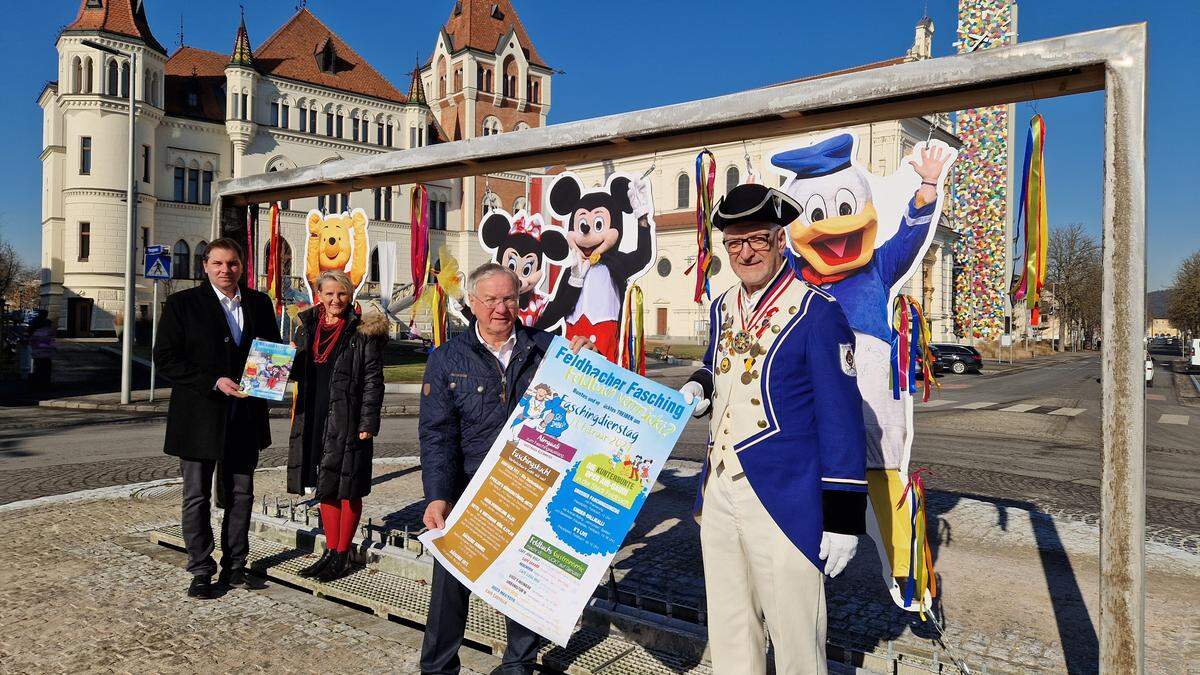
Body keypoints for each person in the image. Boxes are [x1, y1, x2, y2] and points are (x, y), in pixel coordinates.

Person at [678, 184, 868, 674]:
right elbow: (716, 364)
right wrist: (699, 388)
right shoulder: (723, 308)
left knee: (796, 637)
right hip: (719, 488)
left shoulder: (816, 312)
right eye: (734, 243)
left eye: (757, 239)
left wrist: (844, 515)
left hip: (785, 496)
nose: (746, 252)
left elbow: (841, 417)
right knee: (730, 626)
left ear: (781, 240)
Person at [419, 262, 595, 675]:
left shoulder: (548, 348)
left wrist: (587, 361)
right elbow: (437, 435)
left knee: (524, 581)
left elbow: (584, 398)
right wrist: (438, 496)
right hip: (468, 488)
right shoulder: (447, 358)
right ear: (474, 304)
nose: (501, 308)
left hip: (530, 484)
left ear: (520, 301)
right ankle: (438, 669)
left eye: (509, 298)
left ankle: (518, 664)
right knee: (450, 586)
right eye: (492, 299)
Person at [155, 237, 281, 600]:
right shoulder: (182, 304)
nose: (226, 270)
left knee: (241, 494)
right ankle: (200, 569)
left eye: (233, 264)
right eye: (218, 264)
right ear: (205, 266)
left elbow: (270, 352)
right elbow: (165, 359)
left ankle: (235, 566)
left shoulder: (258, 302)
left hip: (244, 417)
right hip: (198, 417)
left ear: (242, 266)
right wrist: (212, 381)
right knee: (196, 497)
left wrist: (272, 376)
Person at [287, 270, 387, 582]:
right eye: (329, 294)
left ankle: (342, 554)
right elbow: (294, 370)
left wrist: (368, 422)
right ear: (318, 295)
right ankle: (330, 550)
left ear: (350, 295)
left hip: (349, 418)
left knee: (349, 488)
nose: (335, 300)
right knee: (325, 486)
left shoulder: (362, 332)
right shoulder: (307, 327)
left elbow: (374, 380)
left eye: (341, 294)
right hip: (315, 416)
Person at [29, 310, 55, 391]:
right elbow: (51, 344)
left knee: (39, 370)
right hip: (45, 355)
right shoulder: (48, 332)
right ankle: (44, 384)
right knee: (45, 370)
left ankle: (38, 384)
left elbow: (33, 342)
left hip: (38, 354)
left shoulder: (37, 331)